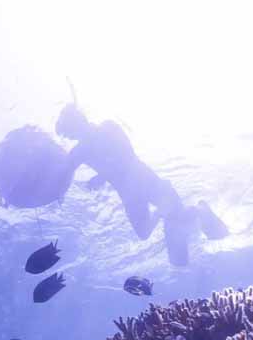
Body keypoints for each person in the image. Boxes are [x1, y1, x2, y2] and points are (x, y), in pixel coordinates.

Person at [55, 104, 228, 265]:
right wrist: (58, 192)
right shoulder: (79, 151)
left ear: (79, 122)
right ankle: (163, 213)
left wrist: (101, 176)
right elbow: (65, 169)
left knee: (182, 220)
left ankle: (199, 209)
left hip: (145, 179)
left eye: (68, 132)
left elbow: (127, 153)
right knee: (144, 232)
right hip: (129, 194)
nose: (70, 137)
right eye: (67, 135)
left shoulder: (108, 127)